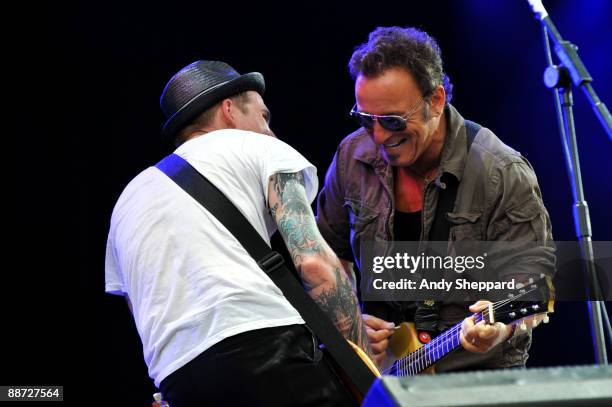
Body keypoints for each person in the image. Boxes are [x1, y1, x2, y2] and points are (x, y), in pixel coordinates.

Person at [105, 60, 370, 406]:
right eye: (264, 117)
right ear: (229, 110)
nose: (270, 132)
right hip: (267, 351)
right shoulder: (258, 147)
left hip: (178, 380)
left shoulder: (127, 200)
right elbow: (316, 266)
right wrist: (366, 372)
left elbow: (141, 310)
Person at [316, 27, 555, 371]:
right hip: (383, 372)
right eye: (367, 120)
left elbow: (533, 286)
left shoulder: (501, 171)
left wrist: (500, 327)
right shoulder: (352, 155)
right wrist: (348, 317)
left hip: (477, 377)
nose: (380, 136)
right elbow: (326, 254)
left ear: (436, 100)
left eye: (393, 121)